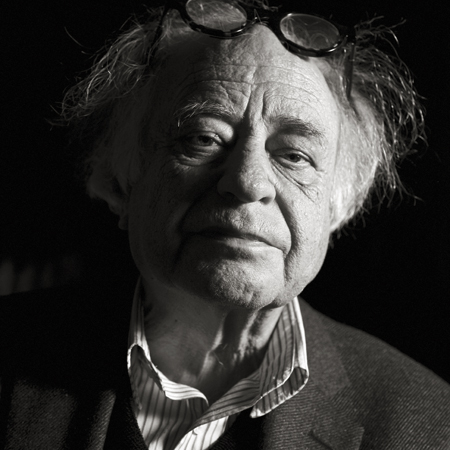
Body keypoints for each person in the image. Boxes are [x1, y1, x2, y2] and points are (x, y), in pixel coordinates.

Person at [1, 0, 449, 448]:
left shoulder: (429, 425)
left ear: (338, 207)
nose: (248, 182)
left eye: (294, 155)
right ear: (121, 182)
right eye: (204, 138)